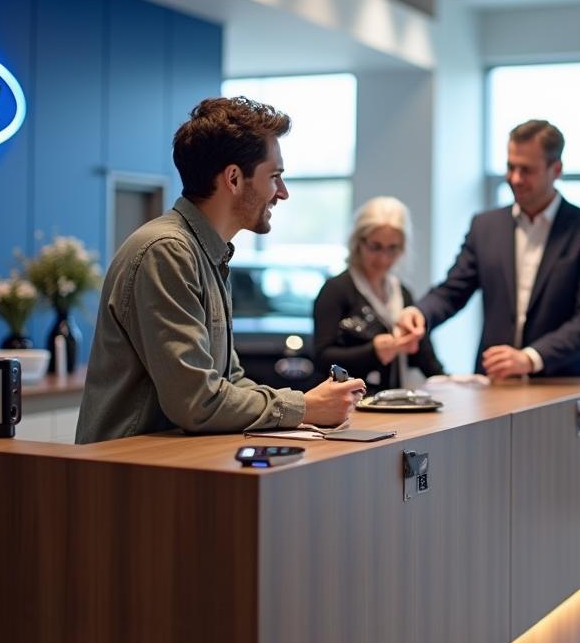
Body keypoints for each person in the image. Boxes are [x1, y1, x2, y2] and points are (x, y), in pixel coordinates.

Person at [76, 96, 365, 443]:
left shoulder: (208, 254)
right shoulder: (167, 252)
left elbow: (230, 383)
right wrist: (303, 406)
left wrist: (308, 409)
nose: (283, 193)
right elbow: (197, 402)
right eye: (274, 177)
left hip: (167, 470)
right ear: (233, 179)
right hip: (129, 477)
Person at [397, 119, 580, 379]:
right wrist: (419, 312)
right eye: (511, 167)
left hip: (561, 384)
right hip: (495, 382)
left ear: (556, 170)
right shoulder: (486, 226)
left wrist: (530, 358)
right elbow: (453, 290)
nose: (515, 178)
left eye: (527, 170)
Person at [313, 197, 444, 392]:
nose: (383, 258)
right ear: (359, 242)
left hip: (394, 404)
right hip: (351, 407)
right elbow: (323, 360)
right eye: (375, 247)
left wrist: (453, 383)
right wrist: (373, 352)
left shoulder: (402, 293)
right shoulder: (336, 290)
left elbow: (426, 360)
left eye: (393, 248)